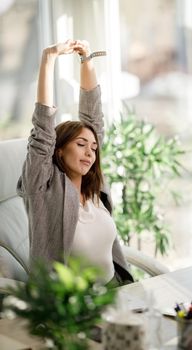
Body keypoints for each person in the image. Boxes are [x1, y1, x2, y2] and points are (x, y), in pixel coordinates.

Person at [17, 39, 133, 286]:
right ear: (58, 150)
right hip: (70, 306)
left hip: (115, 291)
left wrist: (86, 59)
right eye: (80, 145)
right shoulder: (43, 190)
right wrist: (48, 59)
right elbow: (42, 131)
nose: (90, 153)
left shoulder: (94, 189)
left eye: (93, 148)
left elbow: (94, 119)